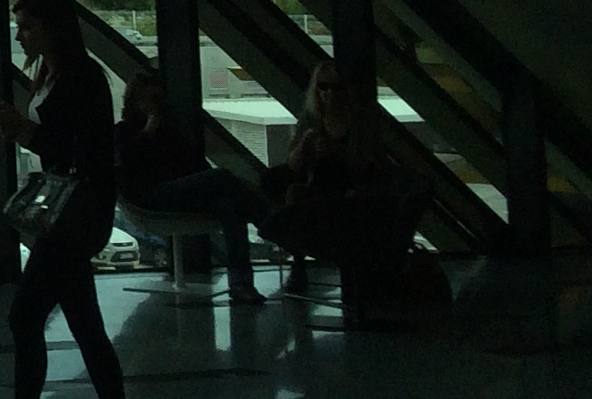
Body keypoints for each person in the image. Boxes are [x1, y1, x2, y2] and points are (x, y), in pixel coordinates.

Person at [0, 0, 145, 399]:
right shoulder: (60, 73)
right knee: (84, 325)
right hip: (79, 214)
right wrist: (23, 130)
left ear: (52, 27)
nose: (20, 35)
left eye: (27, 26)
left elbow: (77, 148)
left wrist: (23, 129)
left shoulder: (78, 76)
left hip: (74, 216)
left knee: (27, 316)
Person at [257, 59, 404, 294]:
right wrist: (306, 143)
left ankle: (301, 262)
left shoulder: (361, 122)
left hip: (352, 190)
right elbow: (292, 165)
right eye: (324, 87)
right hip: (320, 187)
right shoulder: (311, 120)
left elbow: (371, 166)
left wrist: (338, 151)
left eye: (335, 87)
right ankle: (299, 263)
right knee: (293, 193)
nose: (330, 93)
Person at [115, 76, 264, 303]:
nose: (155, 105)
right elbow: (128, 164)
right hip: (148, 196)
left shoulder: (170, 133)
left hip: (178, 193)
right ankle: (266, 219)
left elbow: (196, 165)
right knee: (222, 177)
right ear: (136, 101)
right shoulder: (123, 132)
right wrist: (148, 131)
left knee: (229, 205)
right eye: (150, 98)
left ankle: (241, 283)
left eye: (159, 99)